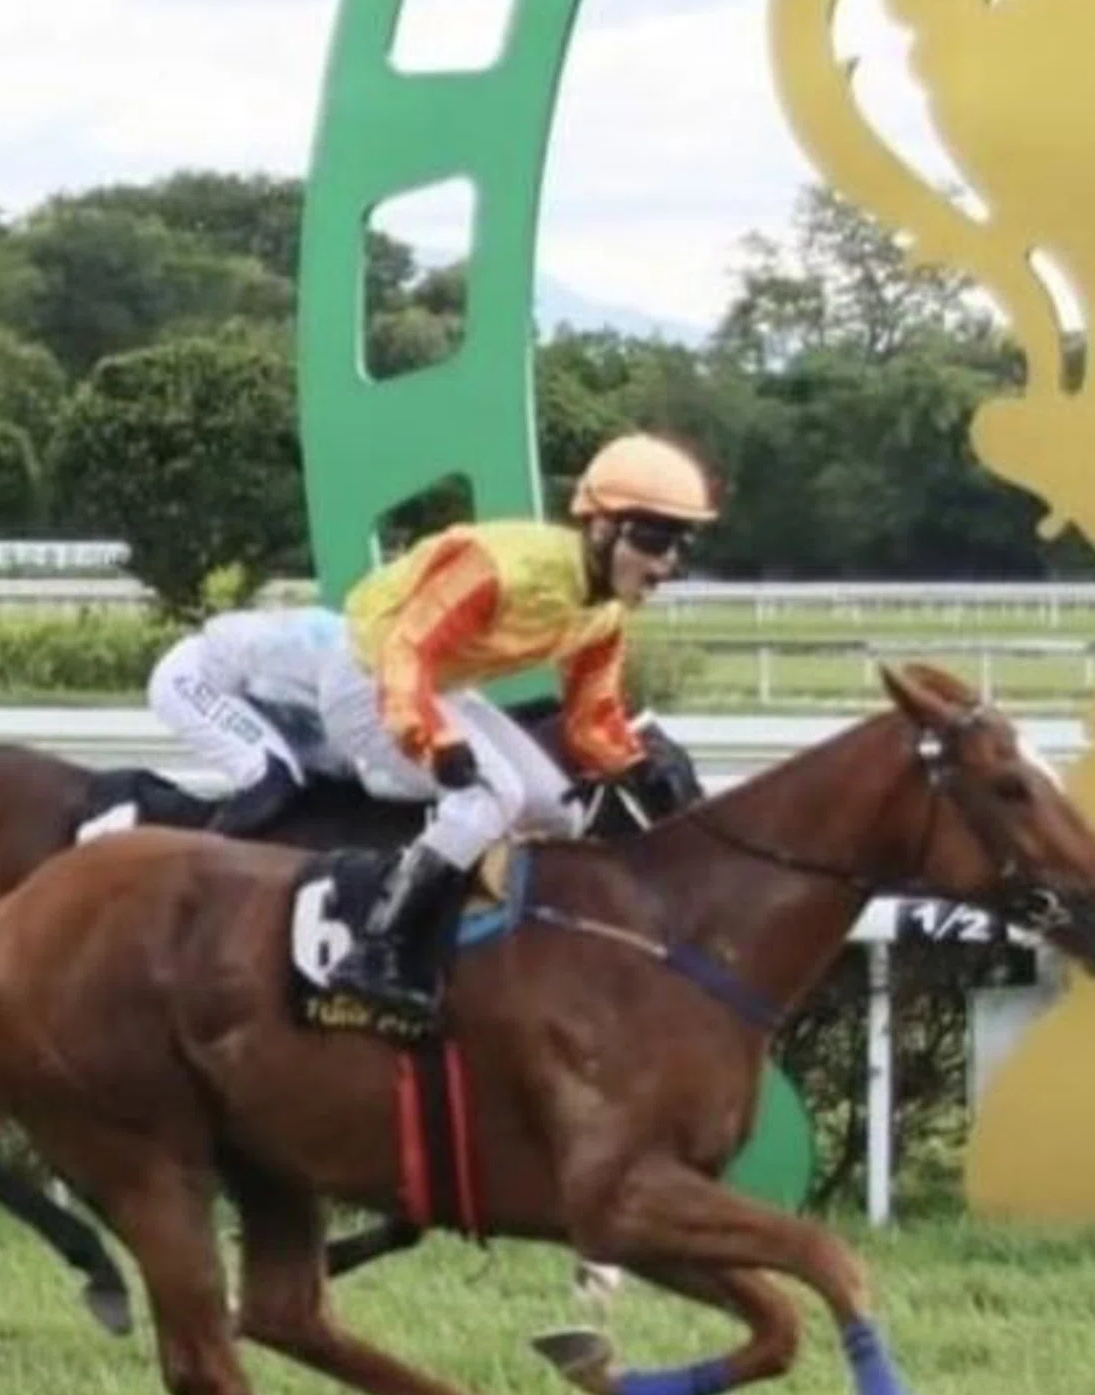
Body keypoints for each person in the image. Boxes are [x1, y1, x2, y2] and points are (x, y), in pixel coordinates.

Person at [317, 431, 719, 1020]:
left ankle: (507, 942)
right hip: (369, 678)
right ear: (602, 528)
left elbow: (592, 719)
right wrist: (436, 739)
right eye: (654, 540)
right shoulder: (499, 567)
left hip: (434, 688)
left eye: (677, 544)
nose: (666, 564)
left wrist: (634, 768)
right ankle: (377, 949)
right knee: (491, 793)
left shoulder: (604, 614)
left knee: (556, 809)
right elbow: (406, 649)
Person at [145, 604, 355, 836]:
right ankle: (198, 859)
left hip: (271, 691)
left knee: (327, 788)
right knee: (274, 775)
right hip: (197, 675)